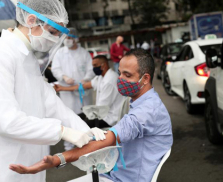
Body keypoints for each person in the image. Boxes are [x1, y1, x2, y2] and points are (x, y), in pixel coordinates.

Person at [0, 0, 106, 182]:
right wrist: (63, 132)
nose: (54, 40)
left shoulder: (26, 57)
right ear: (31, 20)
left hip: (26, 162)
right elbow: (6, 122)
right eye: (52, 32)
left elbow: (50, 102)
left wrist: (85, 130)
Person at [10, 49, 173, 182]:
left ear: (145, 78)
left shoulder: (146, 111)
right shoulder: (146, 101)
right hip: (115, 174)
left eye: (127, 75)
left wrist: (58, 159)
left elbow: (108, 139)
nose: (120, 79)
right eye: (120, 73)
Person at [52, 27, 96, 150]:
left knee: (84, 115)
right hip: (66, 90)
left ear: (76, 39)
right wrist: (64, 77)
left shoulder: (84, 53)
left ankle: (85, 141)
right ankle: (69, 145)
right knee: (68, 116)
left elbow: (90, 69)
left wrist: (85, 79)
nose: (68, 40)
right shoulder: (60, 53)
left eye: (70, 38)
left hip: (82, 90)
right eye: (66, 37)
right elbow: (55, 69)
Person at [55, 55, 126, 128]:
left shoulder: (109, 81)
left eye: (95, 65)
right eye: (93, 66)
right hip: (102, 113)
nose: (94, 68)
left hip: (110, 119)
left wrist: (87, 112)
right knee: (76, 118)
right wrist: (62, 88)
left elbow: (101, 108)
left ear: (103, 65)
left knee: (80, 124)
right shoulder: (101, 77)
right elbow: (85, 86)